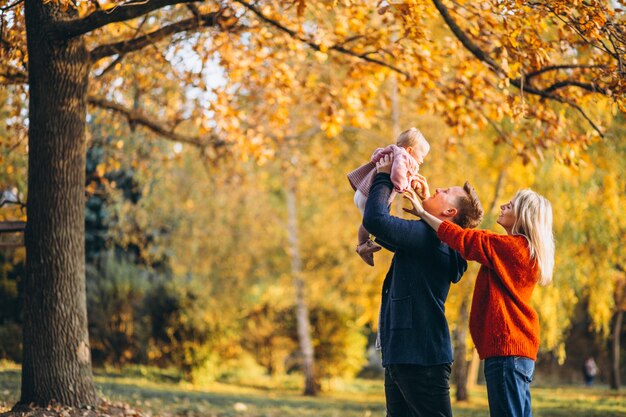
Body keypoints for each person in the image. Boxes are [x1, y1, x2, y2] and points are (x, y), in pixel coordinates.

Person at [404, 175, 555, 417]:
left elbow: (463, 239)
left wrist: (423, 212)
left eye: (512, 205)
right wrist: (427, 203)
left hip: (508, 350)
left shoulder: (510, 248)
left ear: (524, 217)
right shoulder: (518, 250)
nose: (504, 205)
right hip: (516, 352)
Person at [363, 154, 484, 417]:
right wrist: (426, 209)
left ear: (450, 212)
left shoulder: (430, 240)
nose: (437, 188)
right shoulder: (432, 239)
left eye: (446, 192)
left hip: (419, 356)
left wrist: (385, 176)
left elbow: (376, 221)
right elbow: (387, 233)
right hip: (407, 354)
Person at [347, 127, 430, 266]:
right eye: (421, 155)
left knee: (368, 221)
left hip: (362, 192)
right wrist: (402, 186)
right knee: (371, 222)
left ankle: (363, 244)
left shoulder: (392, 152)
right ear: (409, 150)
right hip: (369, 195)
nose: (422, 160)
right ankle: (362, 246)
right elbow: (398, 172)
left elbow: (378, 157)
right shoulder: (402, 156)